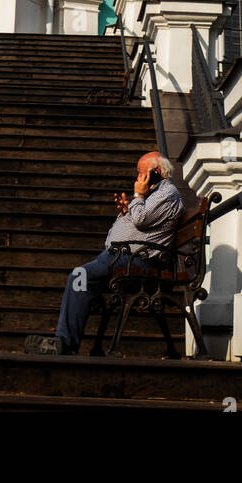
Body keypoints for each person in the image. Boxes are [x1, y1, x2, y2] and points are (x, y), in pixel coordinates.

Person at [24, 150, 184, 356]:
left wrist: (138, 196)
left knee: (79, 276)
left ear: (157, 171)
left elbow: (142, 219)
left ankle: (65, 342)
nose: (137, 177)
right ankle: (64, 343)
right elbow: (141, 218)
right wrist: (128, 208)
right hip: (120, 258)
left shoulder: (167, 193)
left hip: (135, 261)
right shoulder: (155, 194)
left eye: (141, 172)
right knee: (80, 280)